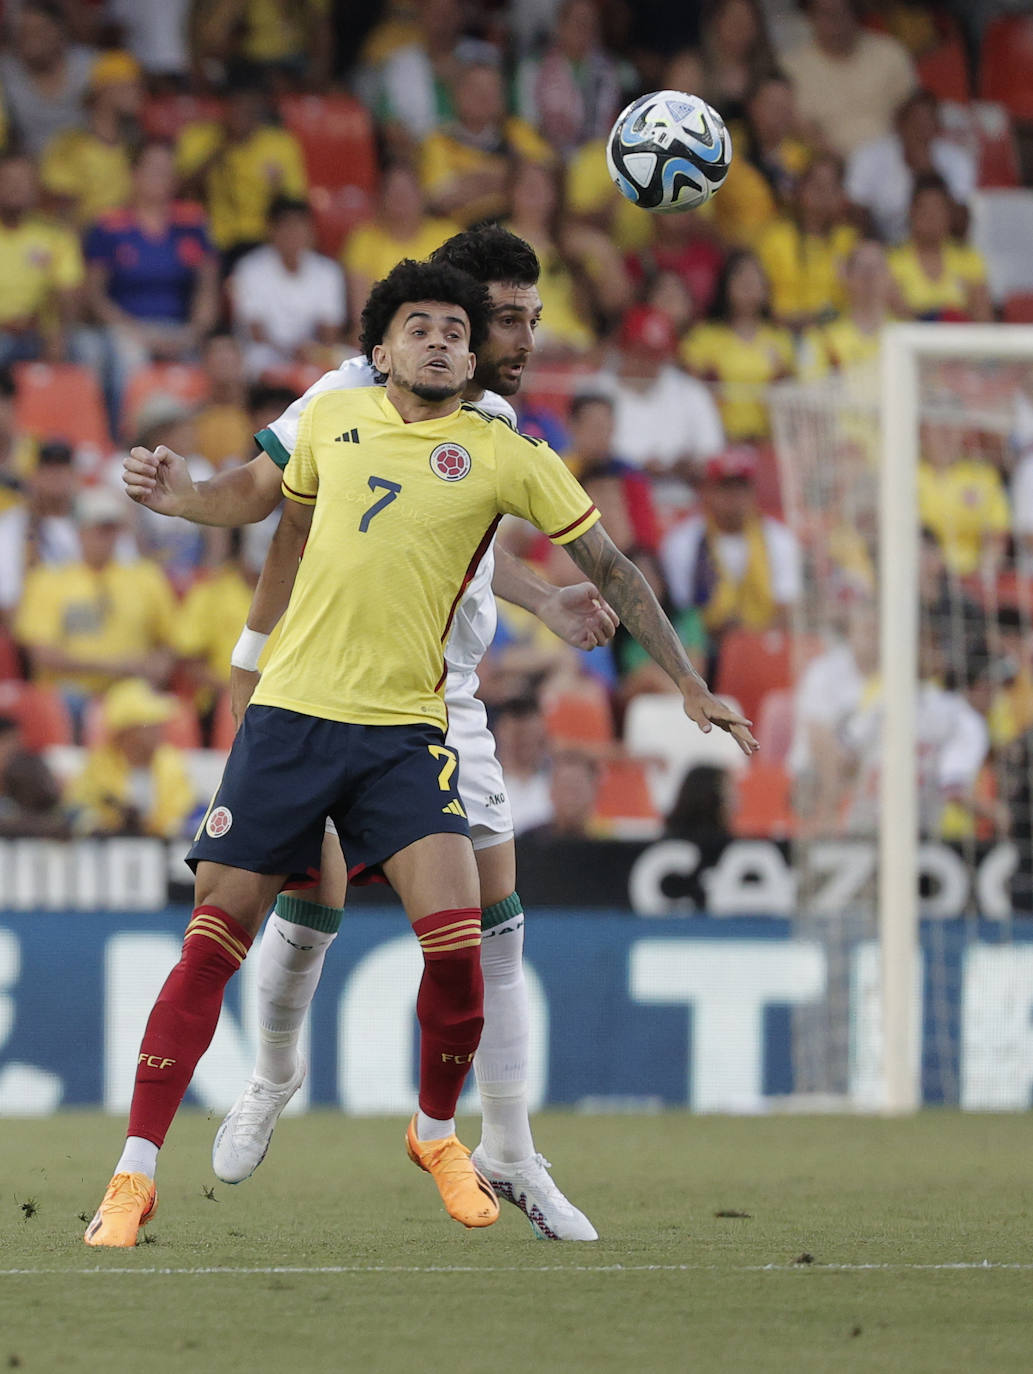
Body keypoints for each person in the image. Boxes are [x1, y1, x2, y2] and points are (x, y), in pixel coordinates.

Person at [94, 255, 755, 1247]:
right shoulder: (332, 411)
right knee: (258, 927)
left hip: (420, 723)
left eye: (464, 325)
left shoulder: (504, 449)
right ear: (379, 347)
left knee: (474, 941)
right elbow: (272, 518)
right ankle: (170, 1150)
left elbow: (582, 561)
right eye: (424, 326)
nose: (447, 337)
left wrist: (686, 679)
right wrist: (200, 535)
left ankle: (463, 1138)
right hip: (295, 713)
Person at [14, 484, 177, 739]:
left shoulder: (146, 578)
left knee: (156, 711)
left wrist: (157, 667)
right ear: (80, 532)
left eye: (112, 529)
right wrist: (114, 666)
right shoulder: (48, 581)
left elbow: (169, 642)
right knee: (71, 705)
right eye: (99, 529)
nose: (107, 537)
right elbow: (41, 654)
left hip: (129, 689)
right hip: (70, 693)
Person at [78, 140, 219, 432]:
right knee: (129, 363)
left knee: (208, 366)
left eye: (168, 172)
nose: (161, 179)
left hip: (180, 329)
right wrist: (133, 331)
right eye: (153, 170)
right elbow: (94, 295)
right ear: (134, 174)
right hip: (127, 328)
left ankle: (192, 443)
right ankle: (124, 439)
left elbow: (207, 289)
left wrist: (194, 331)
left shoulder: (192, 222)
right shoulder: (110, 225)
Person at [660, 448, 802, 660]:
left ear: (753, 492)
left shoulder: (780, 540)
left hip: (765, 642)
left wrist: (747, 639)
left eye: (741, 488)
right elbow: (682, 611)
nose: (734, 498)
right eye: (725, 488)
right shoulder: (682, 542)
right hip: (704, 647)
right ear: (707, 492)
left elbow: (786, 608)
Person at [419, 59, 552, 227]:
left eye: (492, 89)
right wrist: (511, 177)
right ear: (456, 94)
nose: (484, 96)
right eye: (475, 88)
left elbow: (546, 177)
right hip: (459, 234)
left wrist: (473, 180)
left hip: (515, 230)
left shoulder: (517, 131)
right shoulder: (438, 141)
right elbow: (441, 198)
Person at [681, 250, 796, 442]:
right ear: (725, 284)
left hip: (767, 443)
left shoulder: (781, 339)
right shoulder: (702, 338)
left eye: (755, 276)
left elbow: (790, 401)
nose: (748, 282)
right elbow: (692, 397)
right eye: (740, 274)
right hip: (716, 441)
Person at [229, 197, 347, 379]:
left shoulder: (328, 270)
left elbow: (330, 329)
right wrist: (290, 351)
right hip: (269, 352)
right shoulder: (249, 268)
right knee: (254, 358)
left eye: (299, 226)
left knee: (350, 359)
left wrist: (310, 350)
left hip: (312, 351)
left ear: (310, 231)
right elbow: (255, 331)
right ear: (271, 230)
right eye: (286, 226)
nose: (293, 234)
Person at [782, 0, 916, 158]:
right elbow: (790, 134)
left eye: (842, 11)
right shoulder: (790, 70)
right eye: (824, 14)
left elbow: (916, 115)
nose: (835, 22)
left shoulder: (890, 52)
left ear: (855, 11)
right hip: (831, 170)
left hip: (899, 160)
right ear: (809, 16)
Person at [65, 677, 195, 838]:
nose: (158, 731)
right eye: (149, 725)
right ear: (126, 732)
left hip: (163, 851)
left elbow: (186, 812)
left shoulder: (171, 762)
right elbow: (78, 809)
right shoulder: (100, 764)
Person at [846, 88, 976, 245]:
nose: (921, 132)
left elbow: (961, 225)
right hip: (882, 245)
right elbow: (854, 210)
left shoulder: (957, 161)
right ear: (899, 125)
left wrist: (930, 173)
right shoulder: (869, 156)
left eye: (928, 125)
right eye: (915, 124)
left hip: (936, 248)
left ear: (938, 128)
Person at [38, 50, 144, 228]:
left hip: (127, 245)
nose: (139, 94)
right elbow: (60, 210)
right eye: (131, 86)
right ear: (105, 90)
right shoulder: (70, 144)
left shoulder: (135, 145)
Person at [0, 153, 84, 368]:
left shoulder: (55, 235)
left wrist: (59, 334)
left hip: (40, 335)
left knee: (85, 350)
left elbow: (69, 292)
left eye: (23, 181)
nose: (16, 188)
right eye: (8, 181)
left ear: (35, 187)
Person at [887, 173, 992, 323]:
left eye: (939, 209)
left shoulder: (969, 258)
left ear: (949, 214)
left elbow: (984, 319)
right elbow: (898, 314)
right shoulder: (892, 260)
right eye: (926, 210)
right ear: (912, 213)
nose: (932, 217)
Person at [0, 1, 96, 159]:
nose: (31, 41)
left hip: (86, 168)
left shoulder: (91, 68)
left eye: (38, 31)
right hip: (30, 167)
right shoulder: (7, 72)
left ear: (60, 31)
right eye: (23, 32)